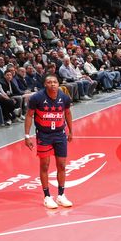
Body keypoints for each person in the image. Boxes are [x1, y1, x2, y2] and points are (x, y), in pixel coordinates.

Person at [24, 74, 74, 209]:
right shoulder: (37, 98)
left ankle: (61, 195)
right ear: (45, 84)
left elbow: (67, 113)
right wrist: (27, 136)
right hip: (44, 135)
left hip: (60, 134)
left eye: (55, 82)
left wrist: (71, 131)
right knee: (45, 165)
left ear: (58, 84)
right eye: (49, 82)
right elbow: (29, 115)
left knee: (62, 165)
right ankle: (47, 196)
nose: (52, 84)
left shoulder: (64, 97)